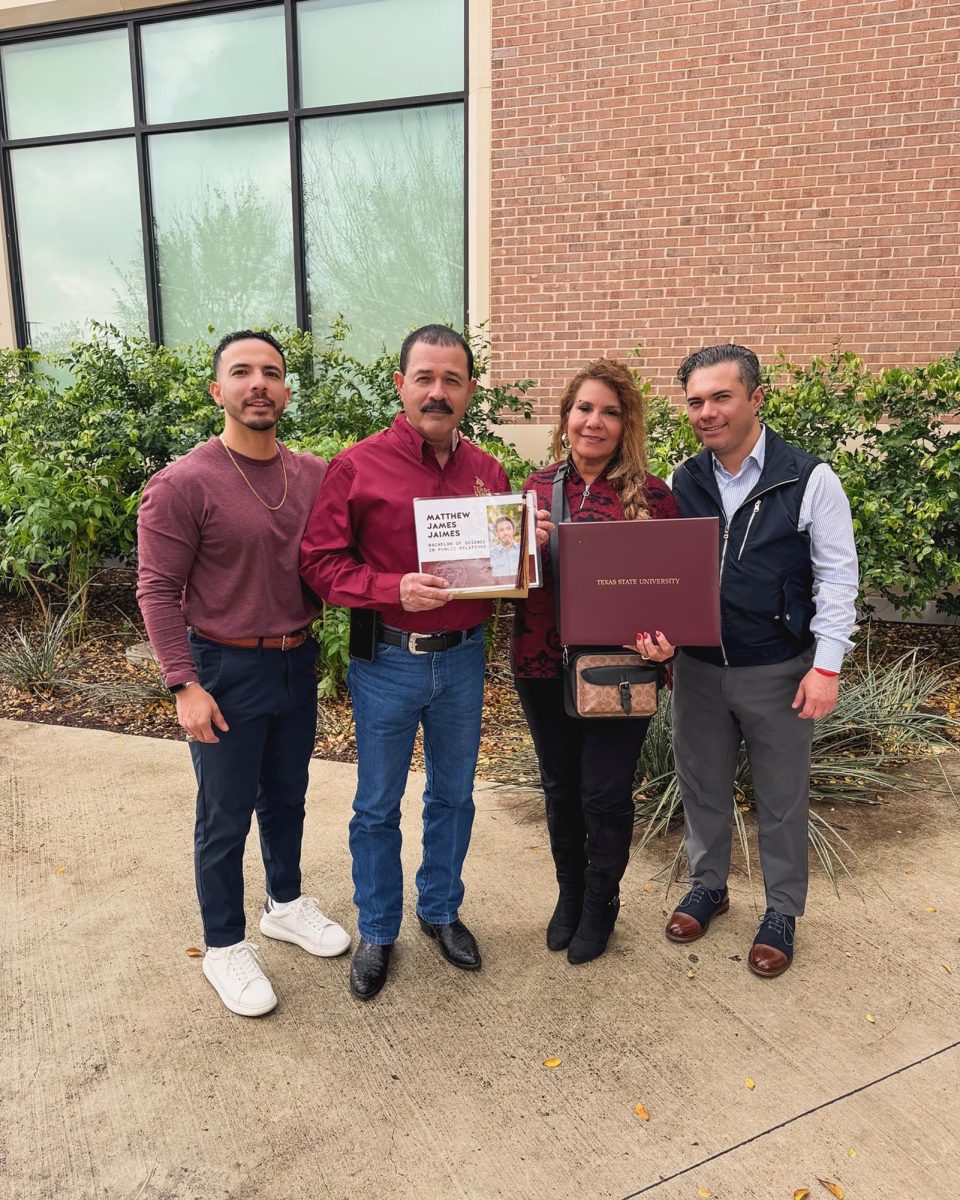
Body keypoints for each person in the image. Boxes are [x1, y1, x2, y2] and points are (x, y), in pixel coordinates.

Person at [136, 330, 350, 1018]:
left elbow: (357, 546)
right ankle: (224, 944)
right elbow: (156, 588)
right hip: (223, 667)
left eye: (271, 372)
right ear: (217, 390)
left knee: (287, 796)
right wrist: (183, 683)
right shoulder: (183, 483)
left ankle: (284, 904)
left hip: (297, 660)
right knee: (224, 815)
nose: (258, 382)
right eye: (241, 372)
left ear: (286, 391)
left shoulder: (315, 473)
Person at [299, 324, 515, 1001]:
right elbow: (320, 564)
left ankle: (441, 910)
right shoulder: (355, 466)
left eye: (452, 380)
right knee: (376, 806)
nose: (437, 391)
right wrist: (391, 588)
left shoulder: (489, 472)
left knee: (453, 796)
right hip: (388, 661)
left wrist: (521, 547)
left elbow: (505, 572)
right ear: (401, 384)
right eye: (425, 377)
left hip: (462, 661)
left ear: (469, 390)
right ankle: (379, 928)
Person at [666, 343, 858, 978]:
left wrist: (825, 665)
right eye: (695, 400)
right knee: (702, 789)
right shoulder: (683, 479)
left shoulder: (809, 479)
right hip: (696, 668)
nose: (707, 411)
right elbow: (664, 575)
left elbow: (837, 580)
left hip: (779, 668)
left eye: (721, 396)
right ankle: (709, 885)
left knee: (781, 798)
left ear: (756, 398)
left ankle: (781, 910)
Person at [512, 359, 681, 964]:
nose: (595, 422)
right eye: (584, 408)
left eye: (610, 412)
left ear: (626, 423)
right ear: (565, 418)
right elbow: (502, 581)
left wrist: (668, 644)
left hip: (622, 670)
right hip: (542, 661)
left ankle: (601, 903)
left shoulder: (654, 494)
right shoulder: (532, 490)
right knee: (560, 789)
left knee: (604, 794)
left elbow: (674, 588)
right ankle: (570, 894)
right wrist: (524, 549)